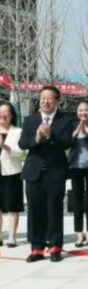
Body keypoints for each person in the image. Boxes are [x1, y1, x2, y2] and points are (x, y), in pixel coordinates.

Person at [19, 86, 73, 262]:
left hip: (55, 172)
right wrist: (36, 138)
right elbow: (23, 143)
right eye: (42, 98)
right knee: (34, 210)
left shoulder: (65, 119)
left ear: (56, 101)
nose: (45, 102)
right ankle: (37, 248)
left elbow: (66, 143)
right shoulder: (30, 119)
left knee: (54, 209)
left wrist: (50, 136)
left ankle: (55, 246)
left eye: (49, 98)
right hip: (34, 171)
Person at [67, 101, 88, 247]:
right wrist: (75, 133)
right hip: (75, 168)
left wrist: (87, 135)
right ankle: (79, 233)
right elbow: (66, 143)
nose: (83, 113)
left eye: (86, 110)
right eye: (80, 110)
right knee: (77, 201)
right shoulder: (72, 126)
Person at [0, 102, 24, 248]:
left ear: (11, 115)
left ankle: (12, 237)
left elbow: (20, 152)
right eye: (0, 111)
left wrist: (5, 146)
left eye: (6, 112)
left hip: (12, 172)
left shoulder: (18, 131)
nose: (2, 114)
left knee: (12, 206)